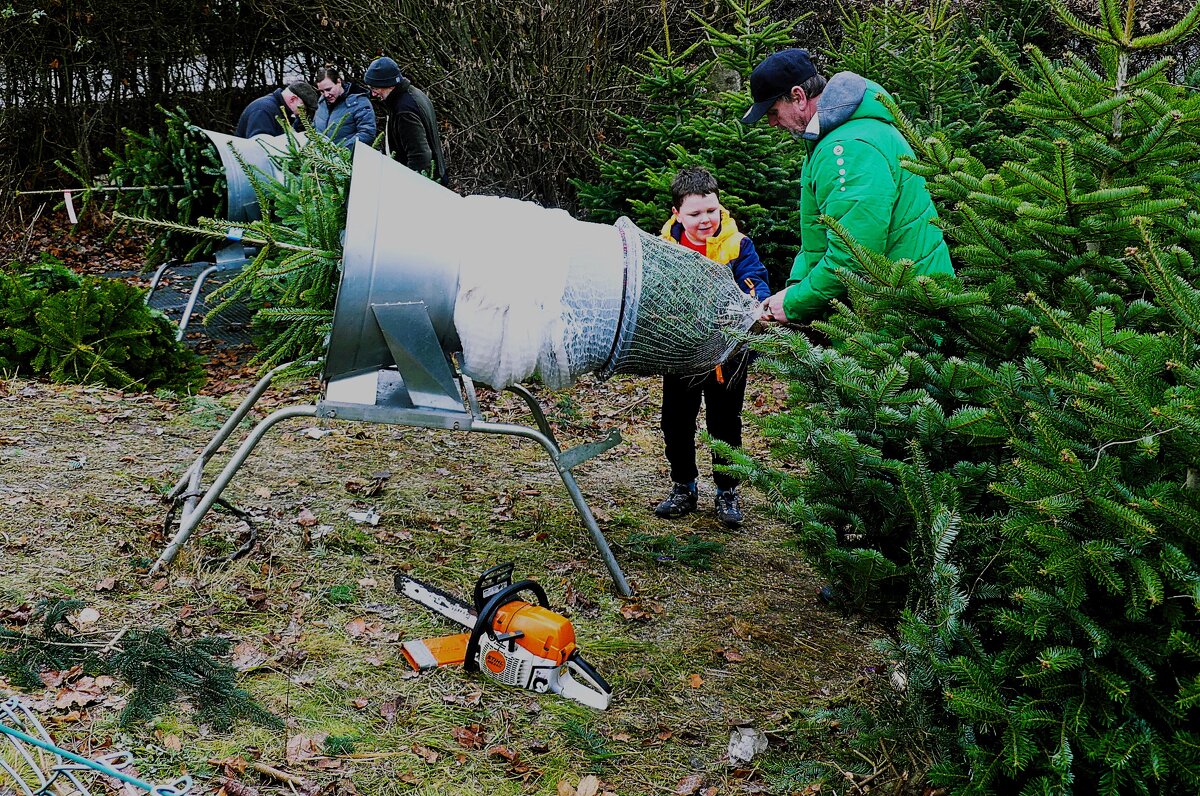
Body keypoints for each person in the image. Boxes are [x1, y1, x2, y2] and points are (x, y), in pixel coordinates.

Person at [741, 49, 953, 324]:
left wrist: (795, 302)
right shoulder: (826, 140)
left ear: (798, 96)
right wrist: (795, 286)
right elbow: (820, 236)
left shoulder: (847, 148)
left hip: (905, 317)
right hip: (887, 309)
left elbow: (854, 253)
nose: (771, 122)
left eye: (773, 111)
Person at [654, 167, 771, 528]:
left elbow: (756, 283)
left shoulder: (738, 244)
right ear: (677, 214)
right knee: (675, 421)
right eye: (695, 214)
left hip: (728, 356)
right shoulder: (664, 248)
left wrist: (754, 306)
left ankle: (727, 491)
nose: (705, 220)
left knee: (725, 424)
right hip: (683, 355)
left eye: (711, 211)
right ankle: (684, 486)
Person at [361, 56, 448, 185]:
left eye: (376, 89)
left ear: (388, 84)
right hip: (435, 177)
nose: (373, 94)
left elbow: (420, 155)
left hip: (427, 185)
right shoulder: (413, 94)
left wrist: (409, 188)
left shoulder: (404, 110)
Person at [313, 66, 377, 148]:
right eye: (322, 91)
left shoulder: (359, 102)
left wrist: (341, 151)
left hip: (346, 158)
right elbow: (315, 127)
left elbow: (367, 134)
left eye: (328, 89)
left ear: (339, 82)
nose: (326, 95)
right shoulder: (322, 101)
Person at [235, 81, 320, 139]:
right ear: (293, 99)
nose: (303, 114)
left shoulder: (282, 110)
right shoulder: (263, 111)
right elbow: (260, 146)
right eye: (304, 109)